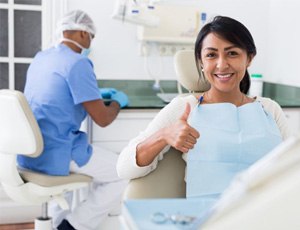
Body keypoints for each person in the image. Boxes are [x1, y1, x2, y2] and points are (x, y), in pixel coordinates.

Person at [117, 16, 292, 213]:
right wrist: (164, 135)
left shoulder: (269, 109)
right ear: (201, 61)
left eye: (232, 53)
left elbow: (293, 168)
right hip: (210, 218)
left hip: (270, 215)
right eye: (211, 55)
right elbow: (124, 168)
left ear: (249, 58)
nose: (221, 64)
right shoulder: (185, 108)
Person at [17, 10, 129, 230]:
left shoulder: (42, 58)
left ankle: (58, 225)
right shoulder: (78, 63)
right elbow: (103, 119)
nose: (90, 43)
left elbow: (54, 95)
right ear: (81, 33)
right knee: (122, 173)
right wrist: (117, 102)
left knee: (61, 193)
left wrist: (94, 94)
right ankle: (73, 226)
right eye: (91, 37)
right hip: (57, 150)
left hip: (30, 152)